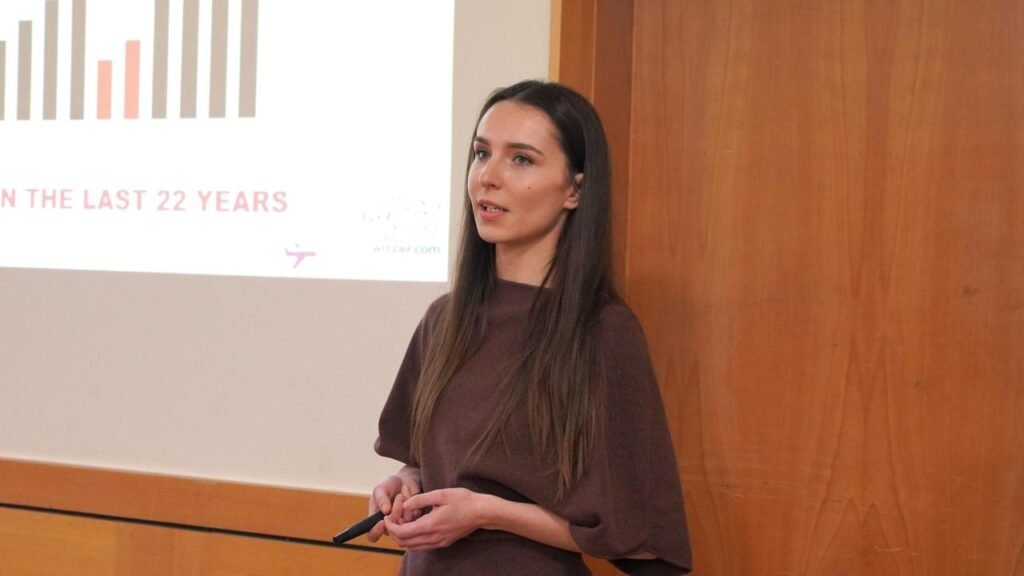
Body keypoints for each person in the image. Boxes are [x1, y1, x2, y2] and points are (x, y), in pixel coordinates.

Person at [368, 80, 692, 575]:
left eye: (521, 159)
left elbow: (642, 540)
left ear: (575, 189)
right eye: (481, 154)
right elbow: (425, 460)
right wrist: (406, 483)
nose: (487, 177)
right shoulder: (443, 320)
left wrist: (489, 513)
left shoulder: (603, 332)